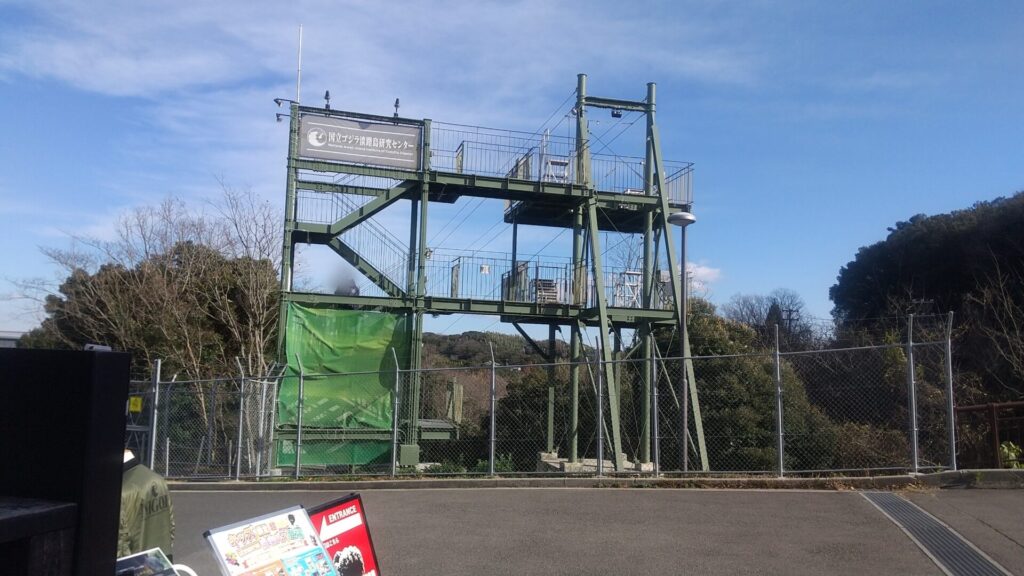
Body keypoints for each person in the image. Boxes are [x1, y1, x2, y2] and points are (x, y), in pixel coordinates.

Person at [119, 450, 175, 559]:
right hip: (163, 558)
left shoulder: (123, 489)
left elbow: (120, 541)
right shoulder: (158, 479)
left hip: (138, 565)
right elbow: (171, 522)